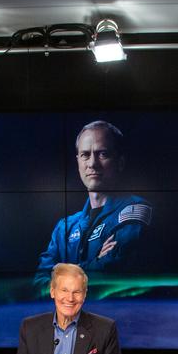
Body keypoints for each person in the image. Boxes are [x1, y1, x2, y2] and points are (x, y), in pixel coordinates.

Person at [33, 120, 153, 286]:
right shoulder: (65, 228)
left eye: (102, 154)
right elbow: (39, 282)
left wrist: (61, 275)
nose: (92, 164)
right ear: (78, 162)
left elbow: (111, 270)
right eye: (85, 155)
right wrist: (95, 261)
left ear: (120, 162)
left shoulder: (135, 210)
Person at [16, 263, 122, 354]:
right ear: (52, 292)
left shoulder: (104, 328)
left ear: (85, 294)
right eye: (64, 290)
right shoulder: (30, 328)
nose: (70, 298)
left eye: (77, 292)